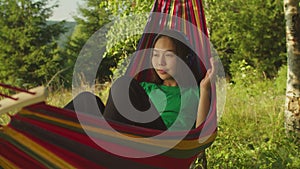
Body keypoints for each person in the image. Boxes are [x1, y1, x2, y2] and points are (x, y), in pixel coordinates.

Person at [64, 29, 214, 131]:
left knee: (124, 85)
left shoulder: (195, 92)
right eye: (155, 55)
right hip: (132, 137)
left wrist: (205, 88)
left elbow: (200, 138)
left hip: (162, 147)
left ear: (184, 59)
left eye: (168, 55)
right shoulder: (143, 89)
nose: (160, 62)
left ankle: (105, 146)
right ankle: (44, 137)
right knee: (87, 101)